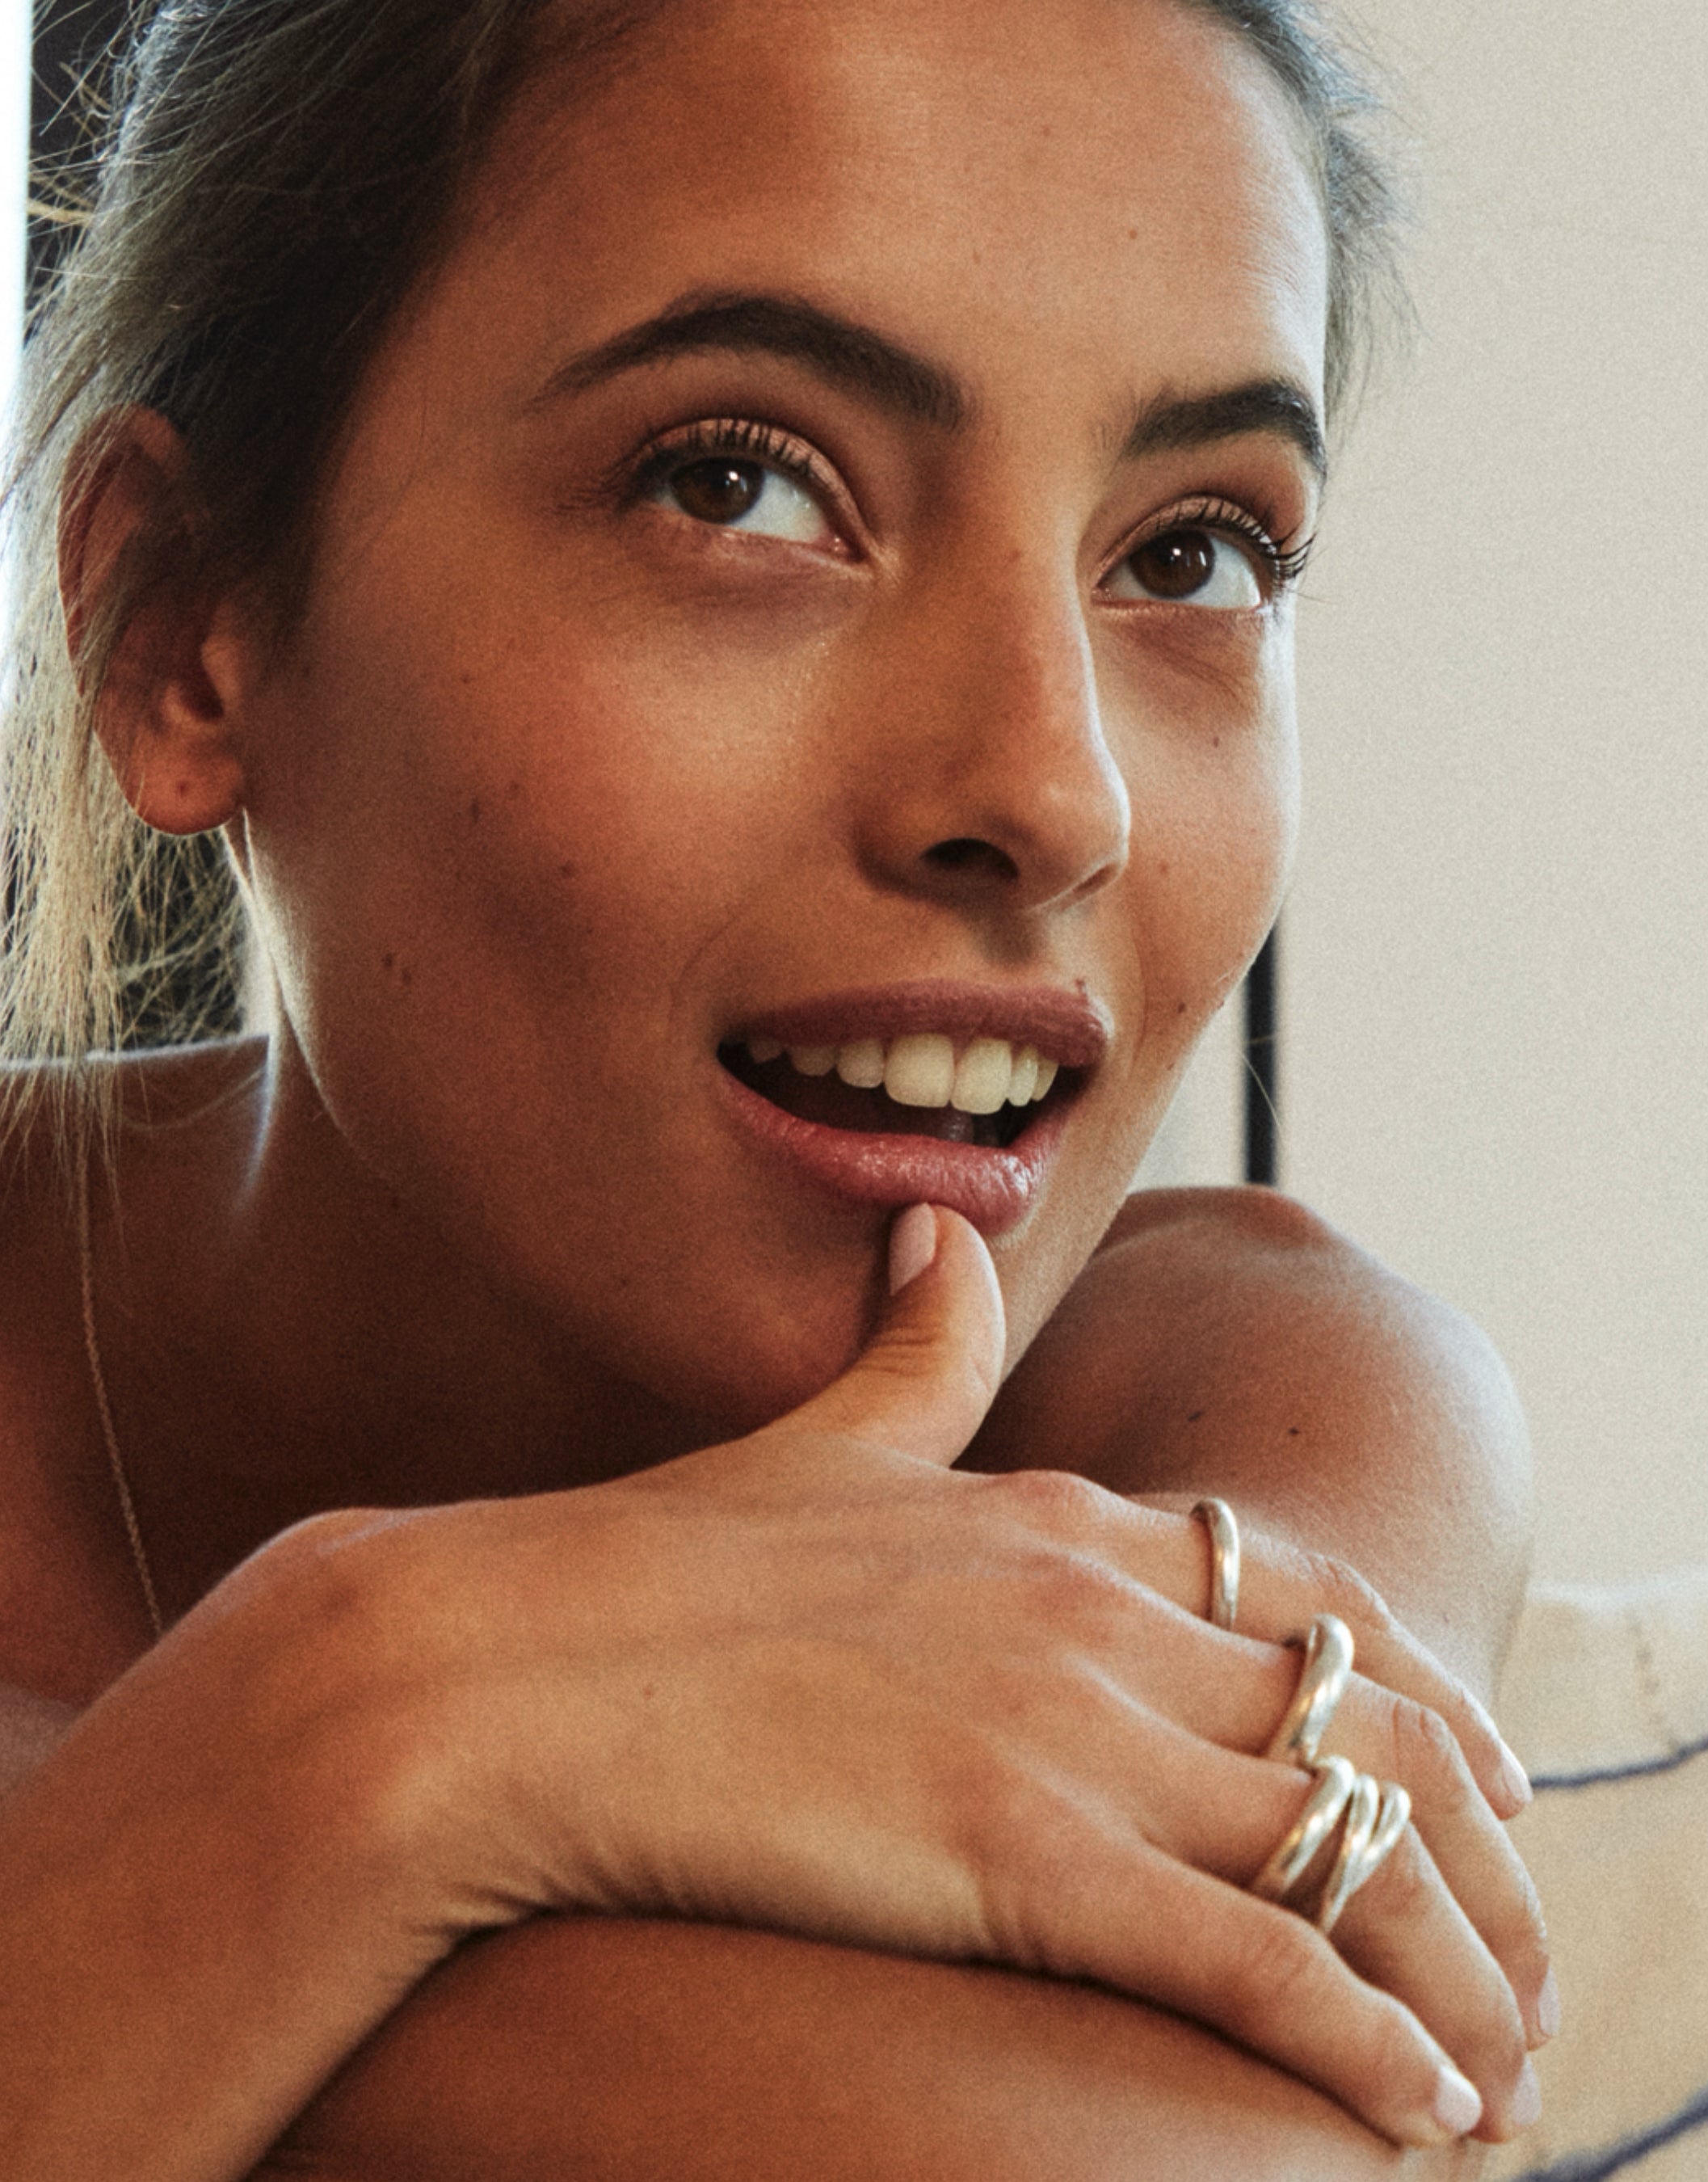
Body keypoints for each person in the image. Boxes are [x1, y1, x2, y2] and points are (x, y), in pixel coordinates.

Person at [0, 0, 1553, 2171]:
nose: (1051, 787)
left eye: (1194, 549)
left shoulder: (1264, 1397)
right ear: (186, 633)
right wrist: (374, 1712)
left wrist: (303, 1780)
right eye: (739, 481)